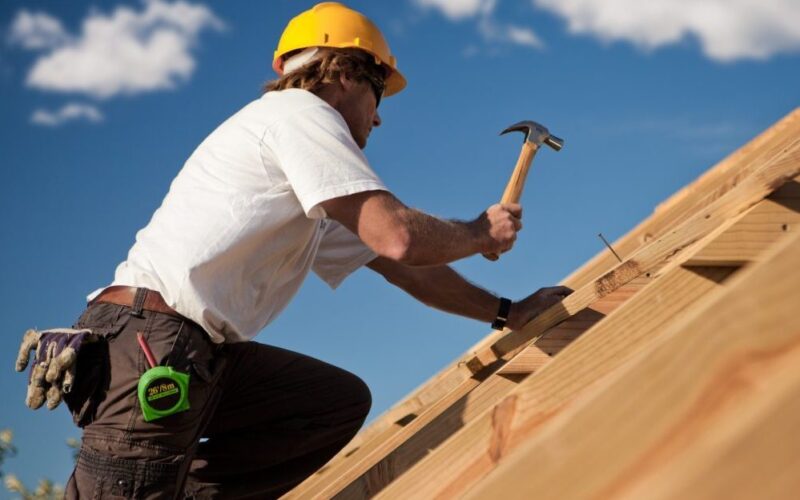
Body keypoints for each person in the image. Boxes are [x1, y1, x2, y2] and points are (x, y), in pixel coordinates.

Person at [15, 2, 571, 498]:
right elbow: (396, 235)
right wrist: (477, 234)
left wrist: (507, 313)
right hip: (154, 345)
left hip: (192, 352)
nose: (378, 117)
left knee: (329, 404)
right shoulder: (303, 116)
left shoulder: (303, 182)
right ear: (349, 75)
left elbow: (402, 268)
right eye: (379, 96)